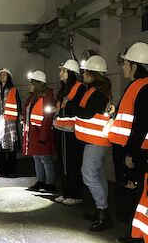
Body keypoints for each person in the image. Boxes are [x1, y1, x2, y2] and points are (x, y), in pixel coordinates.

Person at [64, 55, 112, 231]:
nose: (82, 75)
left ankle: (103, 212)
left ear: (92, 74)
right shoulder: (96, 90)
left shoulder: (98, 93)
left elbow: (87, 113)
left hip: (96, 141)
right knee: (97, 175)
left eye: (85, 72)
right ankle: (100, 209)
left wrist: (70, 106)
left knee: (88, 175)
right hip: (94, 140)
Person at [107, 42, 148, 243]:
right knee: (132, 193)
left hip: (138, 152)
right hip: (130, 149)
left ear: (135, 65)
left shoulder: (144, 87)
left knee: (136, 193)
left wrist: (131, 153)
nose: (122, 67)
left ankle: (137, 237)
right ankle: (133, 234)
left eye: (125, 63)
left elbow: (141, 124)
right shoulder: (137, 86)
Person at [53, 59, 86, 205]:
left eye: (64, 71)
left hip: (72, 132)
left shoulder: (80, 88)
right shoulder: (63, 89)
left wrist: (65, 106)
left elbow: (77, 107)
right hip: (61, 130)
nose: (60, 73)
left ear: (72, 73)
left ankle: (76, 194)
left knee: (72, 163)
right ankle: (66, 192)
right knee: (63, 163)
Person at [23, 70, 56, 192]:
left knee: (45, 159)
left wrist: (43, 136)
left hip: (42, 134)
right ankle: (40, 181)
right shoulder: (33, 98)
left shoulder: (47, 98)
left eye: (31, 83)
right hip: (33, 134)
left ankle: (50, 184)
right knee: (37, 158)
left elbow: (47, 119)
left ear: (38, 84)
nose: (29, 86)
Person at [0, 68, 22, 177]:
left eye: (4, 75)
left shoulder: (13, 90)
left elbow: (18, 104)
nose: (2, 76)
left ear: (8, 77)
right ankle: (1, 170)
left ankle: (12, 171)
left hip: (10, 122)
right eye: (0, 75)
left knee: (11, 147)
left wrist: (19, 116)